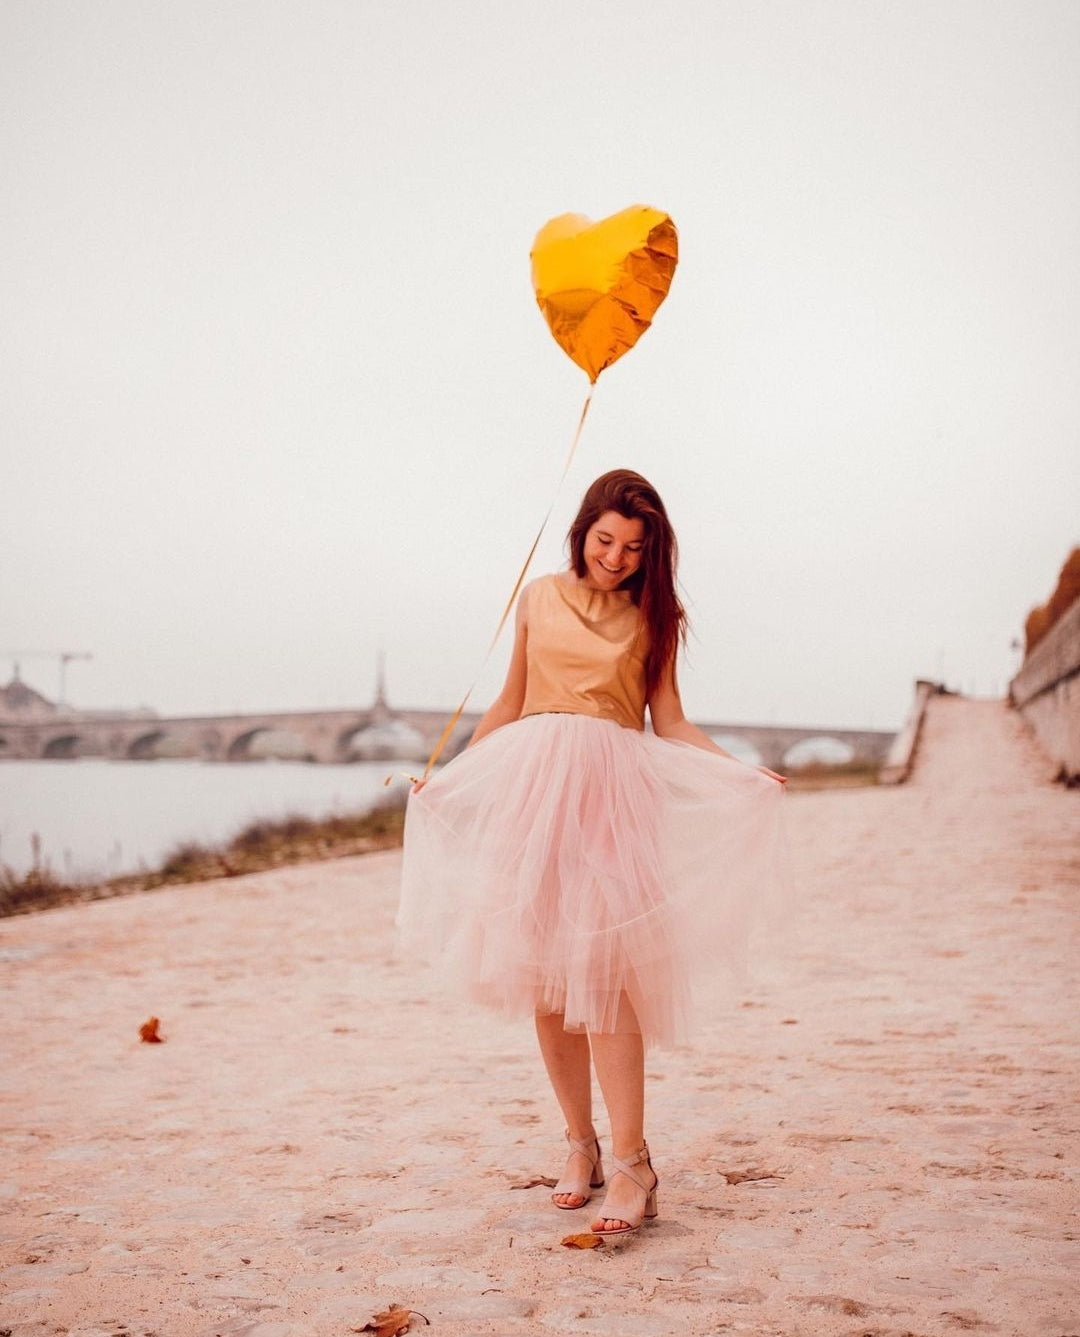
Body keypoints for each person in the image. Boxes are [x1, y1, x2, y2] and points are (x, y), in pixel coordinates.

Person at [398, 468, 786, 1237]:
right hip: (533, 795)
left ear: (652, 553)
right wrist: (453, 782)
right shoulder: (538, 597)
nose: (617, 558)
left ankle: (637, 1161)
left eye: (635, 548)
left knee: (604, 982)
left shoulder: (654, 615)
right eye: (606, 540)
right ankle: (581, 1145)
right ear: (582, 530)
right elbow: (510, 702)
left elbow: (667, 718)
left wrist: (735, 771)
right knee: (547, 984)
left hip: (611, 800)